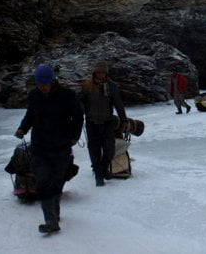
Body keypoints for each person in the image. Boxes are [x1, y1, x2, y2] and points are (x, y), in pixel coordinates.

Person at [15, 64, 83, 234]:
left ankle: (54, 212)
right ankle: (51, 221)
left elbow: (79, 116)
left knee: (57, 181)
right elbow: (30, 115)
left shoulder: (67, 95)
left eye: (45, 83)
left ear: (53, 81)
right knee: (43, 181)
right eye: (39, 84)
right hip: (40, 146)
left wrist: (74, 136)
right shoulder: (34, 95)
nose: (43, 87)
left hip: (61, 146)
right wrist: (23, 128)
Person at [79, 60, 126, 187]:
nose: (101, 74)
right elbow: (81, 102)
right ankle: (99, 174)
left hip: (107, 122)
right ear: (95, 72)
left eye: (103, 72)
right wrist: (80, 112)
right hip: (92, 123)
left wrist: (124, 119)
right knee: (94, 150)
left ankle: (104, 168)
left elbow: (118, 104)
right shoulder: (87, 86)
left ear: (106, 73)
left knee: (109, 150)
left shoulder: (111, 86)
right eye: (98, 72)